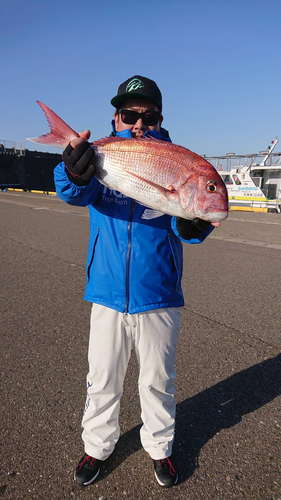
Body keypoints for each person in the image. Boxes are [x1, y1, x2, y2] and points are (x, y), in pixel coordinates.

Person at [54, 75, 220, 489]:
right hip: (107, 294)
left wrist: (193, 220)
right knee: (102, 378)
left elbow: (193, 230)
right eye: (129, 114)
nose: (138, 123)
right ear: (116, 117)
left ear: (160, 119)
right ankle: (97, 445)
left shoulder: (177, 160)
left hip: (159, 294)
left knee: (157, 381)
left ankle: (160, 448)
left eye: (148, 115)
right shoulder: (102, 155)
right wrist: (72, 172)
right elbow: (72, 192)